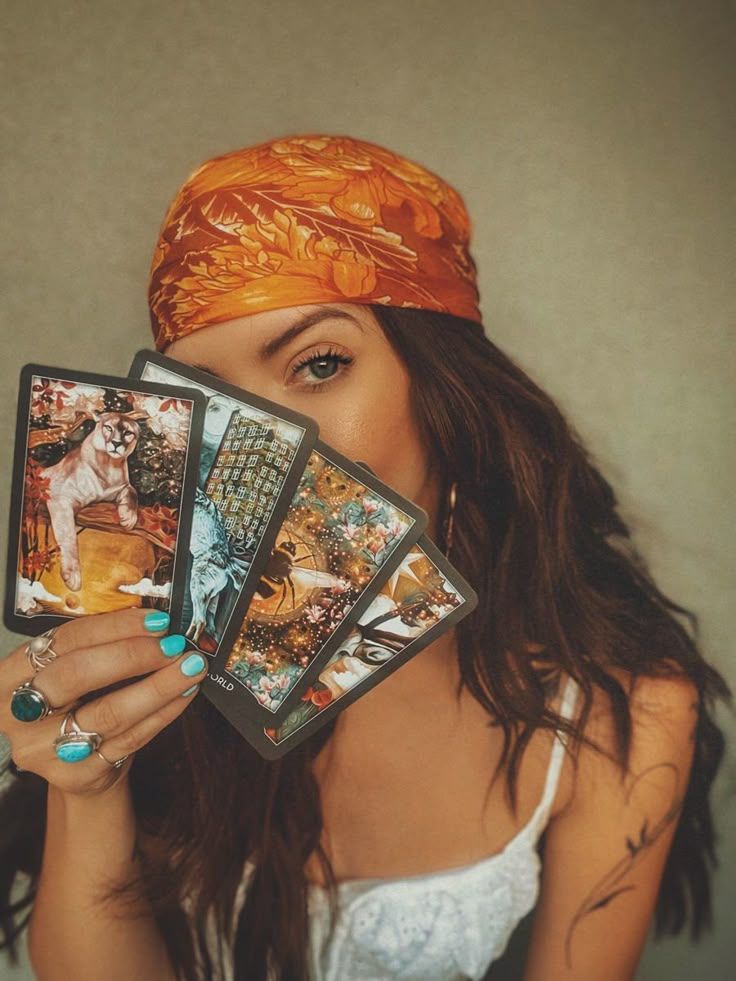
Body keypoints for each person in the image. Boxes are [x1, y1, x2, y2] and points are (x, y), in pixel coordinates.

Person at [0, 134, 731, 981]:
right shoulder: (161, 656)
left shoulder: (622, 713)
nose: (269, 444)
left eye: (319, 364)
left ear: (444, 392)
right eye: (214, 397)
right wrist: (87, 790)